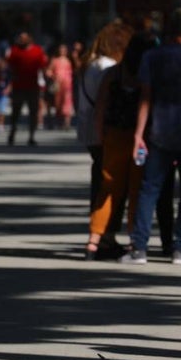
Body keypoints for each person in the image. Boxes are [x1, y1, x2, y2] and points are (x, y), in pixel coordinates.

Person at [121, 7, 181, 265]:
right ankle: (180, 249)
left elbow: (145, 98)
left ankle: (139, 247)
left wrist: (138, 134)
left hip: (160, 131)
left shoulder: (152, 57)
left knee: (149, 189)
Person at [86, 31, 155, 259]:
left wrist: (99, 136)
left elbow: (101, 107)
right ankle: (135, 239)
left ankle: (94, 240)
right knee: (137, 190)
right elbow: (146, 105)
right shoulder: (147, 76)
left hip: (113, 136)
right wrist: (140, 134)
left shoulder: (113, 74)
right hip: (141, 139)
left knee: (108, 189)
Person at [77, 21, 134, 257]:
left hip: (90, 131)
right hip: (106, 132)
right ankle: (105, 235)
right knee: (112, 187)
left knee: (101, 183)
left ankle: (101, 235)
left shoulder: (89, 65)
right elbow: (107, 102)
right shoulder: (108, 68)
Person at [5, 32, 47, 146]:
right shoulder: (14, 50)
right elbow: (9, 67)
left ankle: (31, 136)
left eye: (24, 38)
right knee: (15, 112)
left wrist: (45, 82)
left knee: (33, 112)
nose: (22, 40)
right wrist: (9, 84)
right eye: (20, 38)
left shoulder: (37, 50)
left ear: (30, 39)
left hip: (33, 86)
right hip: (18, 86)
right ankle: (12, 133)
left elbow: (43, 67)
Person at [46, 43, 74, 130]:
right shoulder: (55, 60)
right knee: (58, 103)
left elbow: (76, 69)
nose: (62, 51)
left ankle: (67, 123)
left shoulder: (70, 60)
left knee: (67, 103)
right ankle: (60, 123)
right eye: (61, 49)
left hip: (67, 85)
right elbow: (48, 71)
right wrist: (53, 77)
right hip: (58, 85)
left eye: (64, 50)